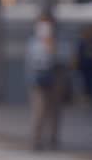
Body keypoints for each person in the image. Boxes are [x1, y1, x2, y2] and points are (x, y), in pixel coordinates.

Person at [25, 14, 70, 151]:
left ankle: (53, 139)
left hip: (55, 77)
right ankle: (36, 140)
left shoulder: (59, 40)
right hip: (38, 79)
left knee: (55, 110)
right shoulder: (33, 41)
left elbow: (65, 58)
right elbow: (31, 60)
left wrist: (53, 49)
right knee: (39, 110)